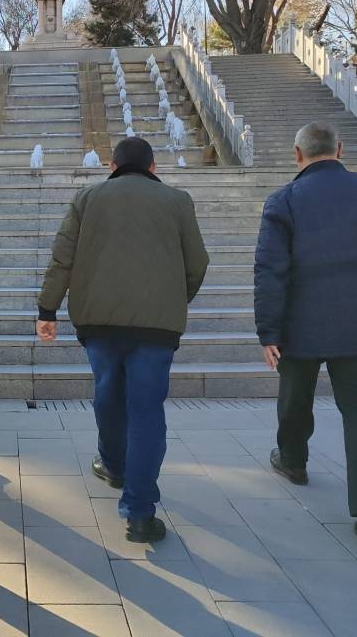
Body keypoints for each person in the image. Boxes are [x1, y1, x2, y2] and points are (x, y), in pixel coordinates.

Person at [37, 137, 209, 544]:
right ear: (153, 167)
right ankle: (139, 513)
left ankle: (113, 464)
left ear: (111, 165)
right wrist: (171, 300)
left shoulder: (87, 198)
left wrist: (47, 309)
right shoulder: (177, 200)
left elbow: (64, 257)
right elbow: (197, 263)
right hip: (156, 327)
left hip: (99, 321)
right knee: (147, 411)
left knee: (108, 394)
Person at [255, 121, 357, 543]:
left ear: (297, 155)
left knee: (295, 396)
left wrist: (269, 331)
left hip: (301, 321)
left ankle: (293, 460)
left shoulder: (284, 200)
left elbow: (270, 271)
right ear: (340, 149)